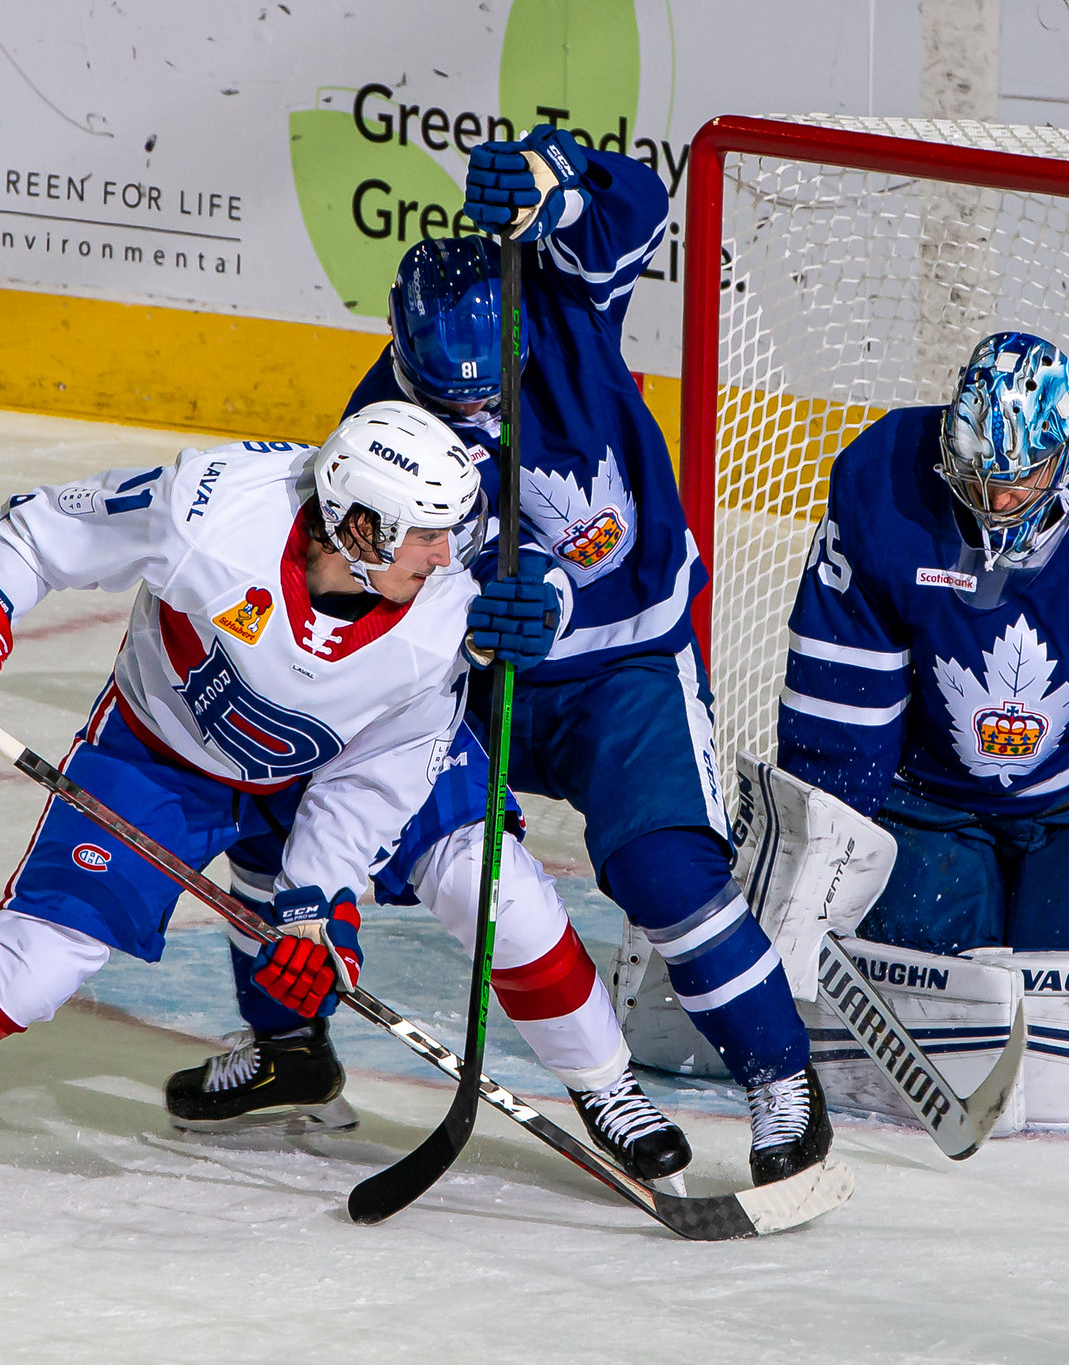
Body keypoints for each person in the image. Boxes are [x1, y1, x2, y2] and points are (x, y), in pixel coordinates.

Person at [0, 401, 683, 1223]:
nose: (447, 554)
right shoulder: (211, 508)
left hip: (340, 758)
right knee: (38, 960)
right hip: (162, 752)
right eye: (427, 534)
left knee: (493, 882)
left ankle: (610, 1091)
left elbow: (367, 783)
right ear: (358, 529)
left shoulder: (444, 614)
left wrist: (318, 909)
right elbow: (36, 531)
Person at [173, 125, 832, 1187]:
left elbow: (635, 209)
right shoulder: (377, 426)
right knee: (289, 808)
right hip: (474, 682)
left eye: (491, 391)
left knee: (664, 873)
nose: (475, 412)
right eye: (453, 398)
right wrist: (476, 611)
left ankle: (777, 1078)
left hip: (626, 666)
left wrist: (552, 179)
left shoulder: (562, 303)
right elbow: (375, 584)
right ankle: (291, 1049)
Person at [776, 331, 1069, 957]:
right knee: (910, 956)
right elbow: (845, 708)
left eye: (1020, 478)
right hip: (924, 798)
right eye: (977, 476)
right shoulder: (883, 479)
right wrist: (818, 860)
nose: (997, 500)